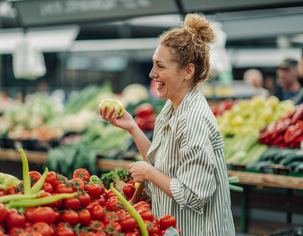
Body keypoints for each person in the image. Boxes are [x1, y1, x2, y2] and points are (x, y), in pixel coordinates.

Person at [100, 13, 235, 235]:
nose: (153, 73)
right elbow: (160, 163)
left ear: (188, 71)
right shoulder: (172, 107)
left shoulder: (193, 120)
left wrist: (148, 172)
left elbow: (193, 195)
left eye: (160, 66)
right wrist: (132, 127)